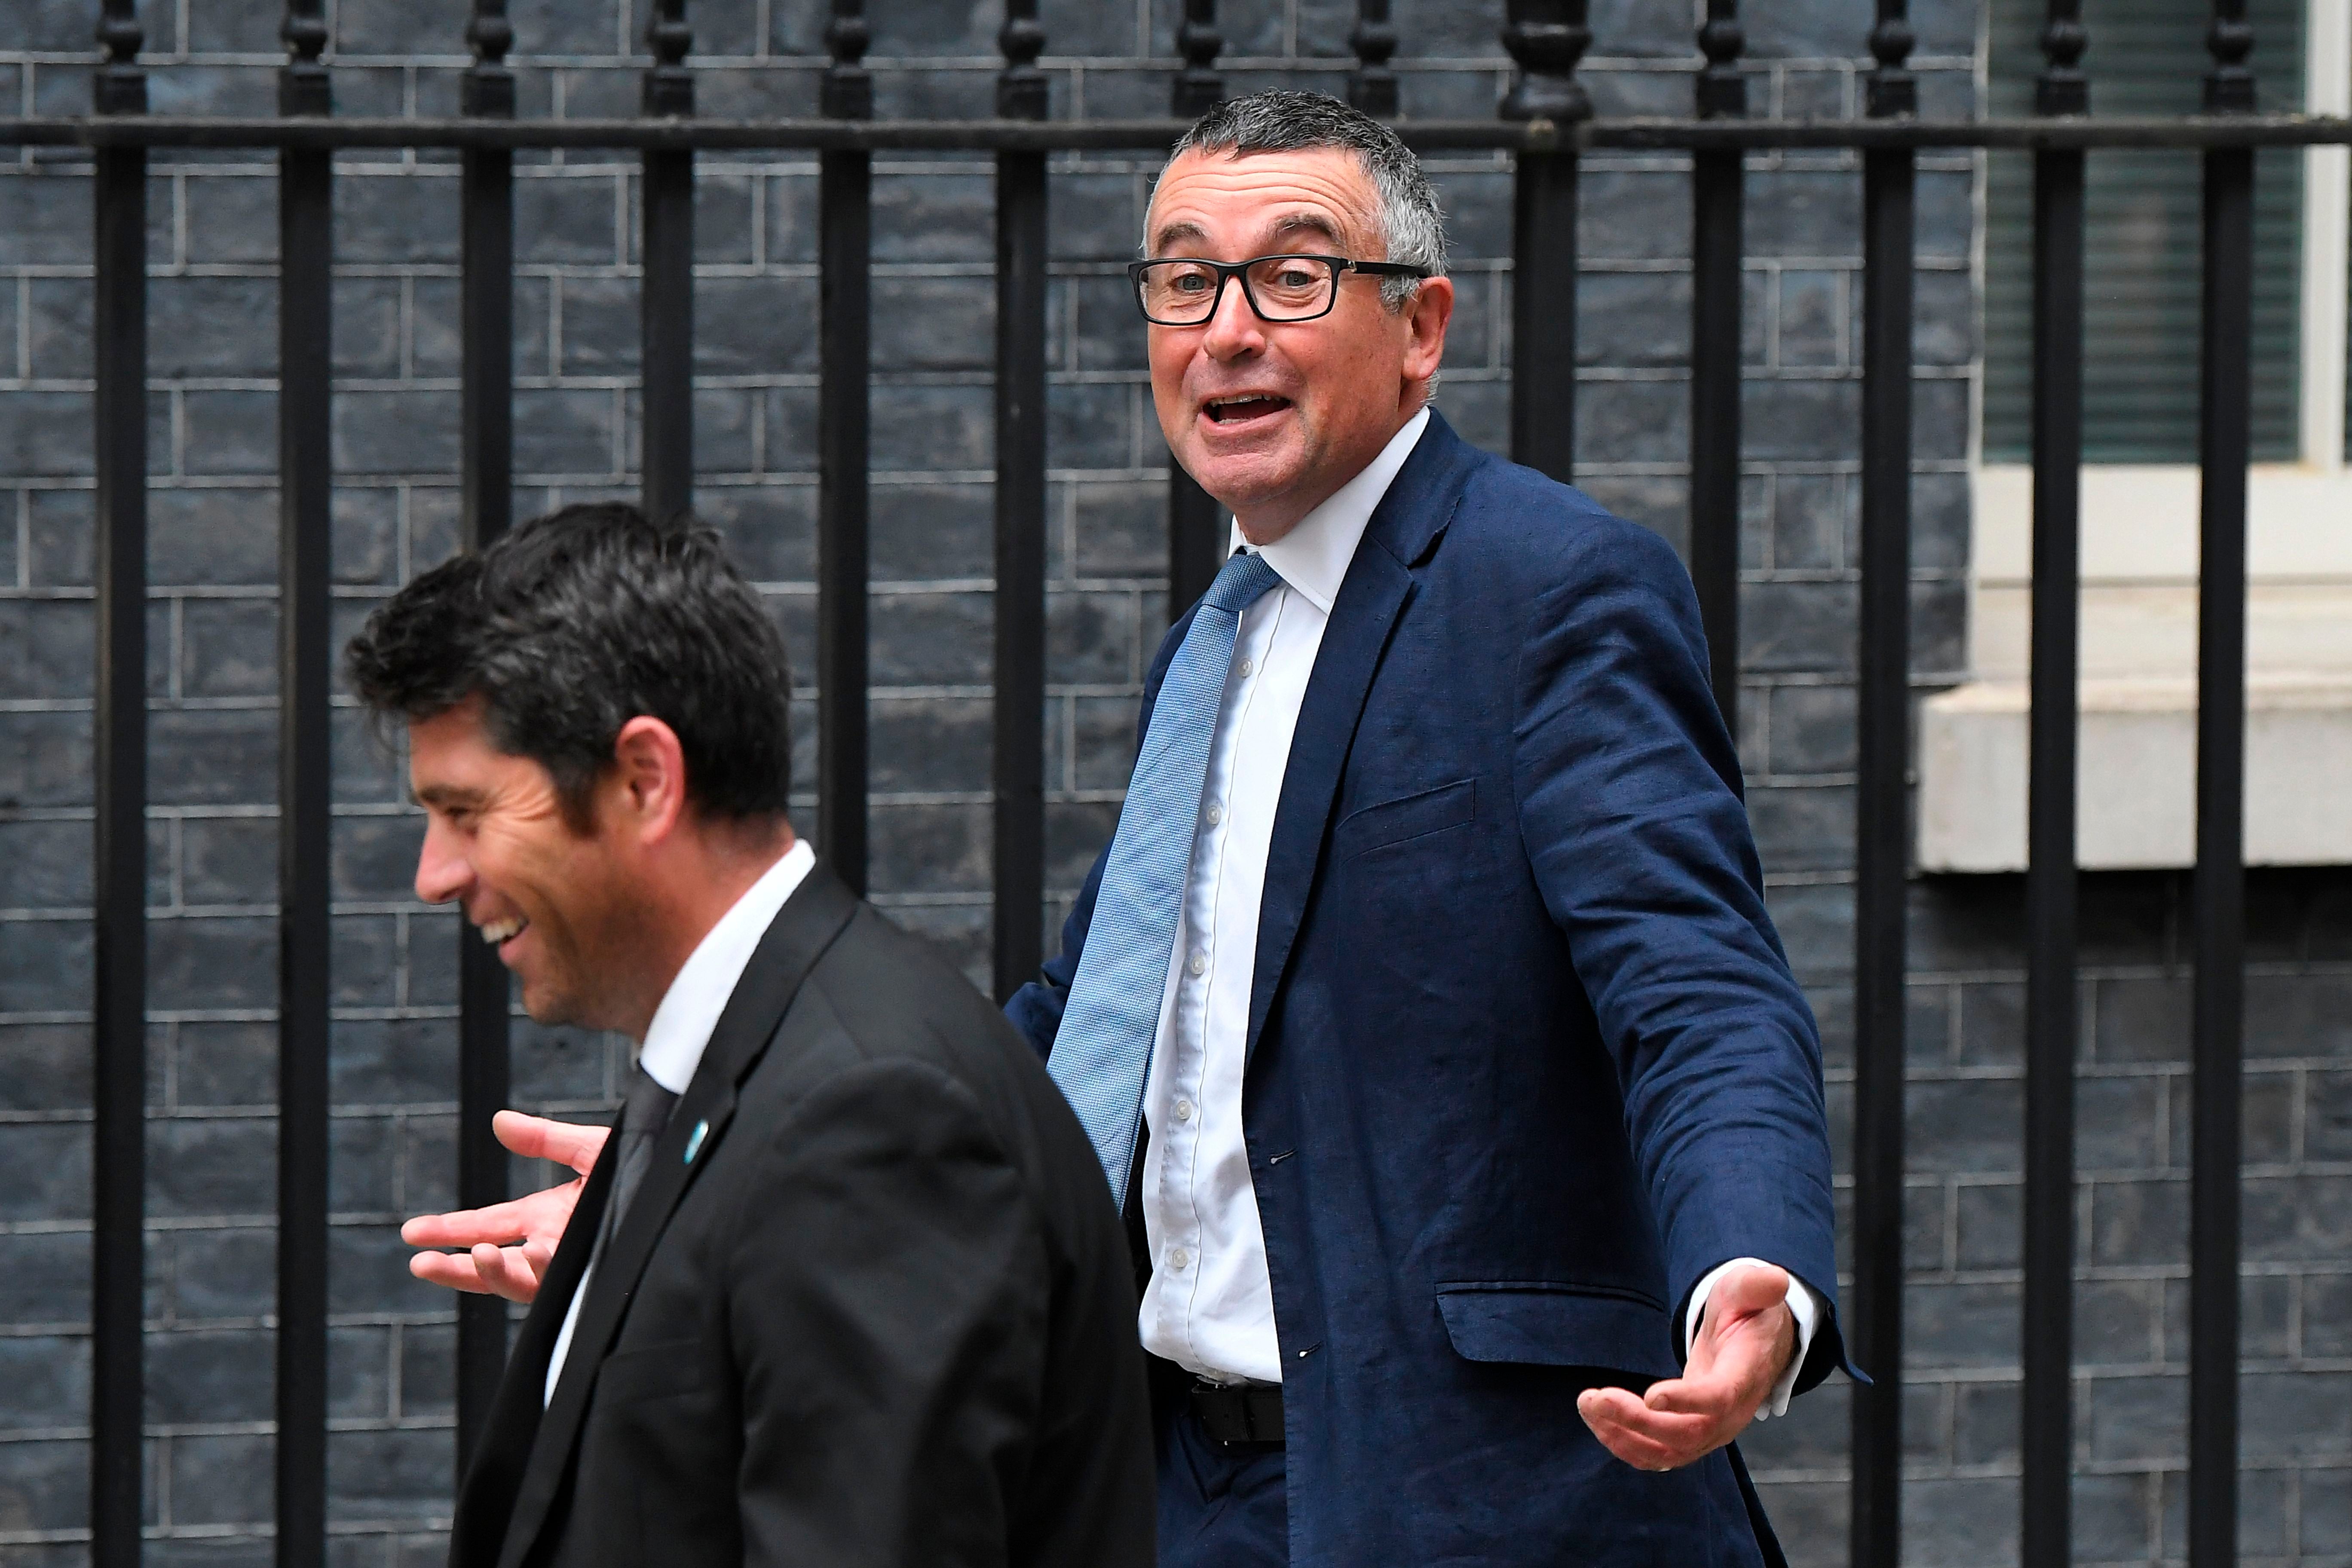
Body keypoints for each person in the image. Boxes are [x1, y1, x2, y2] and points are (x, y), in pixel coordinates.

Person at [404, 91, 1850, 1567]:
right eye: (1183, 278)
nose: (1228, 330)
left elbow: (1696, 981)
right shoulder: (1210, 649)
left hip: (1472, 1498)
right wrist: (731, 1184)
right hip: (1176, 1489)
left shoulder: (1550, 588)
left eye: (1293, 276)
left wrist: (1752, 1262)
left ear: (1421, 325)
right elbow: (1089, 1047)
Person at [348, 503, 1154, 1568]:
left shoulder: (869, 1121)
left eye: (467, 813)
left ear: (645, 780)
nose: (434, 874)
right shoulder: (742, 1073)